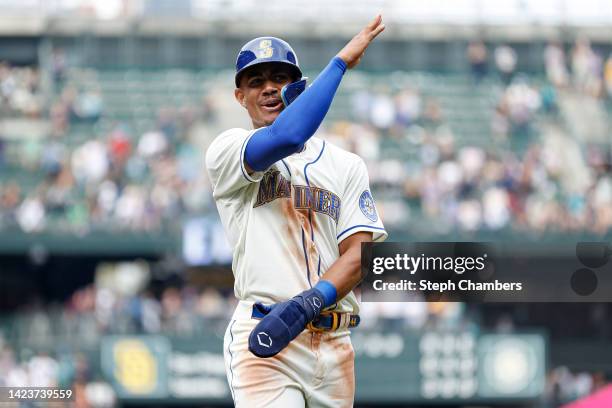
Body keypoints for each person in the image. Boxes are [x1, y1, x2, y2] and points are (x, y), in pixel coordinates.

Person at [205, 15, 387, 408]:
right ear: (240, 97)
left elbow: (358, 255)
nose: (270, 88)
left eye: (281, 79)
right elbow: (288, 135)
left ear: (299, 87)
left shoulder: (346, 165)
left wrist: (312, 300)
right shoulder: (227, 150)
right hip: (266, 333)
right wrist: (339, 64)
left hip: (335, 342)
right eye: (256, 82)